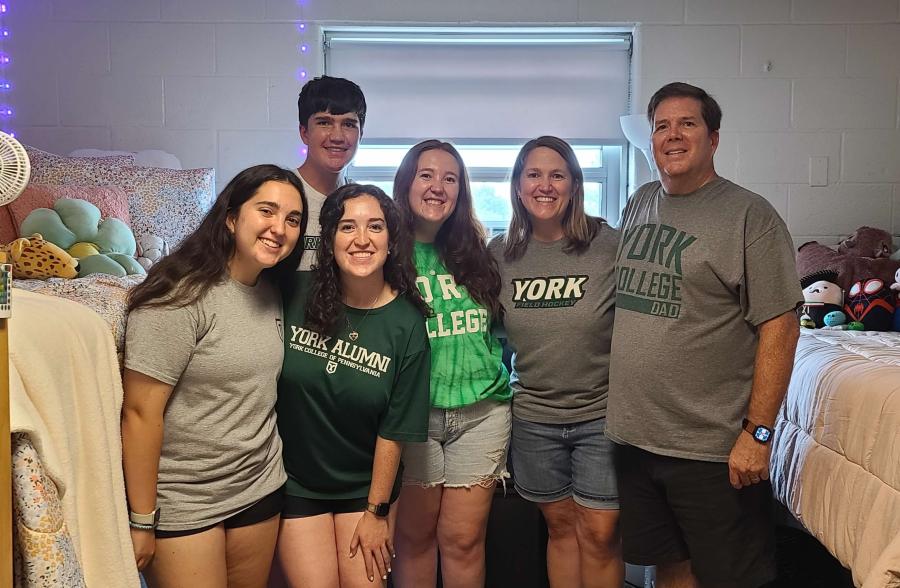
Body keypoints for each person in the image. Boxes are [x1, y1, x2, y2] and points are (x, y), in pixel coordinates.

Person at [606, 82, 802, 588]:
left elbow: (780, 324)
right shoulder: (640, 202)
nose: (672, 135)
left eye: (687, 124)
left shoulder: (748, 216)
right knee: (669, 569)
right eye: (661, 126)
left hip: (712, 448)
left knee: (728, 577)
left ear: (713, 138)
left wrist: (758, 434)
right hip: (637, 438)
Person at [122, 164, 308, 587]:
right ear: (230, 216)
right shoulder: (178, 293)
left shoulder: (272, 289)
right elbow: (139, 413)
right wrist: (141, 520)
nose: (279, 228)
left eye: (292, 219)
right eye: (266, 211)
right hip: (185, 500)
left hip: (258, 487)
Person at [275, 184, 431, 587]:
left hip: (366, 490)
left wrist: (377, 512)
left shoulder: (408, 323)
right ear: (328, 240)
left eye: (375, 227)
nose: (362, 239)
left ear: (391, 240)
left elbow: (395, 429)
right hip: (297, 482)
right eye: (347, 227)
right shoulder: (294, 293)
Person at [487, 136, 623, 588]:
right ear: (518, 186)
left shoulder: (608, 245)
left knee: (600, 534)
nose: (545, 186)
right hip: (534, 418)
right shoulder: (499, 254)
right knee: (561, 529)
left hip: (600, 415)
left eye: (557, 175)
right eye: (534, 174)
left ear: (574, 185)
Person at [390, 140, 511, 588]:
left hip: (482, 413)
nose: (438, 187)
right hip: (413, 419)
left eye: (450, 178)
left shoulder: (478, 254)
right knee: (414, 539)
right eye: (426, 175)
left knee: (462, 541)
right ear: (406, 183)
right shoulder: (383, 253)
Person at [295, 75, 367, 270]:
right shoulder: (282, 195)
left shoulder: (364, 204)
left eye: (349, 124)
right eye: (324, 123)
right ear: (304, 133)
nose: (337, 136)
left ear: (361, 135)